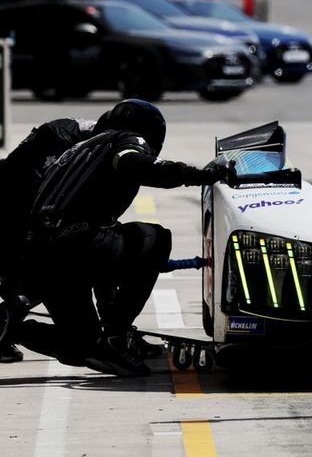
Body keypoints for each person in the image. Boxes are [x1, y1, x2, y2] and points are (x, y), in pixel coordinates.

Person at [5, 99, 229, 376]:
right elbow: (135, 164)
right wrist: (201, 175)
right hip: (61, 247)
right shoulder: (125, 138)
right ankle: (117, 334)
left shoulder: (75, 150)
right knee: (153, 238)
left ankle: (9, 326)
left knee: (82, 345)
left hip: (41, 251)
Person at [0, 117, 100, 363]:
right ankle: (7, 326)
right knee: (29, 277)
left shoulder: (70, 137)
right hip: (15, 222)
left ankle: (8, 323)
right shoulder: (51, 160)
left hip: (19, 216)